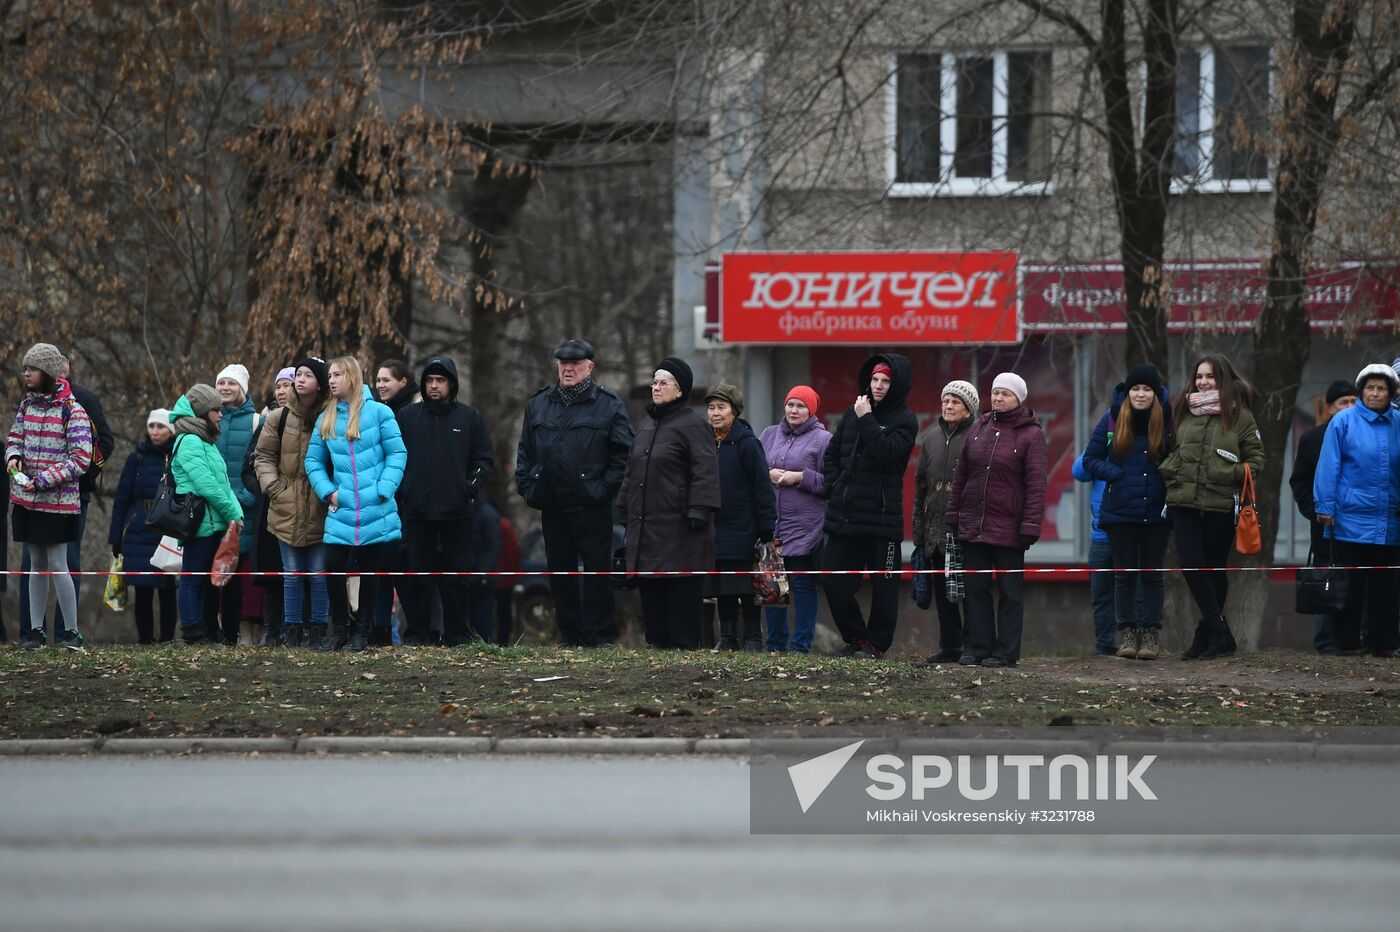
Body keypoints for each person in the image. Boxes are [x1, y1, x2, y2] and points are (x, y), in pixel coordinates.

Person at [515, 339, 634, 647]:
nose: (568, 369)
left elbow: (623, 454)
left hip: (591, 505)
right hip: (552, 504)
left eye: (575, 364)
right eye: (563, 364)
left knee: (597, 573)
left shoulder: (609, 404)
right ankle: (570, 635)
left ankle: (599, 636)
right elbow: (525, 452)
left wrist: (602, 490)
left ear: (589, 367)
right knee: (560, 573)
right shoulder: (539, 404)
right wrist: (528, 487)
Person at [1160, 354, 1264, 659]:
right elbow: (1170, 448)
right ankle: (1220, 632)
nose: (1203, 382)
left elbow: (1256, 461)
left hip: (1220, 504)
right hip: (1183, 501)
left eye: (1211, 377)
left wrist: (1223, 473)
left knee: (1215, 571)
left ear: (1224, 380)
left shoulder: (1241, 416)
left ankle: (1207, 636)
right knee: (1191, 566)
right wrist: (1170, 468)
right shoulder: (1183, 410)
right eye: (1199, 376)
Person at [820, 354, 918, 659]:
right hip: (844, 516)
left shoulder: (905, 420)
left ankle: (877, 644)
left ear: (897, 384)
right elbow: (833, 454)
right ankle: (857, 639)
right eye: (875, 379)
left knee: (884, 586)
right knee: (832, 580)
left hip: (881, 519)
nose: (878, 385)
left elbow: (886, 452)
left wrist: (866, 419)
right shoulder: (855, 410)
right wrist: (834, 485)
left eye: (886, 380)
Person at [305, 356, 406, 652]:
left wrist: (384, 489)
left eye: (337, 375)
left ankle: (362, 632)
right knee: (333, 566)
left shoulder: (380, 413)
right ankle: (339, 631)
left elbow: (397, 453)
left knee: (371, 571)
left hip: (376, 507)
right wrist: (329, 493)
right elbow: (313, 460)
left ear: (351, 377)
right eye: (330, 376)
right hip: (342, 508)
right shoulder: (327, 417)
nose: (331, 380)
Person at [947, 372, 1047, 668]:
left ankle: (1006, 651)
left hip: (1010, 529)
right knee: (975, 589)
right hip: (974, 526)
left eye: (1005, 394)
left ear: (1019, 398)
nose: (998, 398)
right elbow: (961, 475)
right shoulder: (978, 428)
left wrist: (1030, 525)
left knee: (1010, 592)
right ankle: (978, 647)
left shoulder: (1031, 434)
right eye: (995, 393)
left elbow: (1037, 484)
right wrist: (955, 514)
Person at [619, 356, 719, 649]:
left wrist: (699, 511)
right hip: (647, 530)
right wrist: (624, 508)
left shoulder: (694, 425)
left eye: (664, 382)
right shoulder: (646, 425)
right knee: (652, 593)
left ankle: (684, 649)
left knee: (681, 593)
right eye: (654, 381)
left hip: (681, 530)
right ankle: (657, 648)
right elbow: (631, 471)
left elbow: (706, 471)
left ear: (680, 390)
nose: (656, 387)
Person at [395, 355, 492, 646]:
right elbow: (395, 458)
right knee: (417, 578)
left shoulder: (470, 417)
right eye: (429, 381)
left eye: (440, 380)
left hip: (457, 513)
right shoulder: (408, 418)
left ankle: (457, 635)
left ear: (452, 384)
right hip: (416, 513)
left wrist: (470, 487)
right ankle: (419, 635)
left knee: (456, 579)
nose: (434, 386)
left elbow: (483, 459)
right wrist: (404, 492)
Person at [18, 349, 113, 645]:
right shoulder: (26, 406)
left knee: (60, 564)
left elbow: (82, 458)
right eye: (24, 369)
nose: (25, 374)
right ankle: (35, 631)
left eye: (31, 369)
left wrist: (44, 480)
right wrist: (12, 457)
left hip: (61, 502)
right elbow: (14, 439)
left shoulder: (74, 409)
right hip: (27, 500)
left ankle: (70, 631)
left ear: (47, 372)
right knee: (34, 565)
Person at [1081, 365, 1173, 661]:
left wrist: (1166, 477)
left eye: (1147, 389)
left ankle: (1150, 635)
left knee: (1151, 575)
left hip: (1156, 511)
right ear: (1128, 391)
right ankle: (1128, 635)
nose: (1141, 394)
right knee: (1124, 576)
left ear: (1156, 394)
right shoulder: (1111, 418)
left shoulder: (1168, 420)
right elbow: (1090, 459)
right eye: (1136, 389)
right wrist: (1115, 474)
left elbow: (1179, 457)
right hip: (1119, 512)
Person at [1313, 364, 1400, 658]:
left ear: (1391, 393)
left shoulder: (1399, 422)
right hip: (1349, 518)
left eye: (1382, 388)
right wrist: (1325, 507)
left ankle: (1383, 644)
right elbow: (1328, 466)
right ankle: (1347, 644)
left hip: (1389, 519)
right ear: (1362, 391)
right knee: (1350, 585)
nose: (1375, 393)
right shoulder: (1343, 422)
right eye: (1370, 388)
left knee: (1385, 587)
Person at [254, 357, 332, 648]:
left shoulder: (331, 416)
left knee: (319, 573)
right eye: (297, 374)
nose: (300, 380)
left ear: (320, 382)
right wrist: (274, 488)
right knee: (291, 573)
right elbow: (262, 457)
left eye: (307, 375)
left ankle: (320, 629)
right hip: (285, 504)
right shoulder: (278, 417)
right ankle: (293, 629)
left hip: (322, 504)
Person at [169, 383, 245, 645]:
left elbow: (223, 483)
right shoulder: (190, 440)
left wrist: (234, 512)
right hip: (200, 523)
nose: (220, 414)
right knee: (192, 580)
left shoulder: (206, 440)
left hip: (214, 523)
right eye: (216, 410)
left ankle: (206, 630)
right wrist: (234, 512)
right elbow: (207, 486)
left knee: (204, 582)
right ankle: (192, 631)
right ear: (203, 412)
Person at [704, 382, 776, 652]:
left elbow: (762, 486)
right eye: (711, 408)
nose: (715, 413)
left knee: (747, 586)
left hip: (744, 528)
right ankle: (728, 636)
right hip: (715, 529)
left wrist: (767, 525)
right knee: (723, 585)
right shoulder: (707, 443)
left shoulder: (747, 443)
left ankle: (753, 638)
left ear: (734, 411)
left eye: (721, 407)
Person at [759, 385, 831, 654]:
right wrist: (767, 474)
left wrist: (799, 477)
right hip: (773, 524)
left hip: (806, 527)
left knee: (802, 587)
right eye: (790, 404)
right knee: (773, 588)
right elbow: (755, 470)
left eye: (801, 406)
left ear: (811, 410)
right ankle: (775, 646)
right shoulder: (768, 435)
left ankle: (801, 646)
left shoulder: (823, 439)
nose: (794, 410)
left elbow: (831, 483)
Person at [1289, 379, 1358, 654]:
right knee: (1326, 582)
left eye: (1355, 402)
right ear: (1330, 408)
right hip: (1324, 529)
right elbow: (1300, 482)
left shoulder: (1366, 438)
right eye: (1344, 403)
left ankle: (1354, 642)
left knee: (1356, 582)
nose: (1349, 407)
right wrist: (1315, 512)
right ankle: (1326, 643)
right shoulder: (1313, 438)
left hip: (1359, 528)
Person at [912, 380, 978, 663]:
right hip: (935, 528)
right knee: (942, 591)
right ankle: (950, 645)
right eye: (945, 401)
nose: (949, 406)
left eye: (955, 402)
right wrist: (919, 531)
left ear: (968, 409)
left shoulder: (978, 436)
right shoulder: (930, 438)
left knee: (970, 591)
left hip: (964, 528)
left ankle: (972, 644)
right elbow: (921, 486)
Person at [108, 408, 178, 644]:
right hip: (138, 528)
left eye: (161, 427)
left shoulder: (177, 456)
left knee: (168, 588)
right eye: (152, 426)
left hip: (167, 528)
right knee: (142, 588)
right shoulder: (136, 457)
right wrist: (116, 536)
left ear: (171, 430)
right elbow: (121, 499)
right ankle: (145, 640)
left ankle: (167, 639)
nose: (156, 431)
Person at [1072, 451, 1147, 656]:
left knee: (1136, 590)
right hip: (1101, 536)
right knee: (1101, 593)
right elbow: (1078, 471)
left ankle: (1138, 643)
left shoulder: (1138, 448)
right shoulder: (1101, 451)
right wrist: (1100, 447)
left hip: (1131, 532)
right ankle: (1104, 644)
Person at [206, 363, 259, 645]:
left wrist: (246, 498)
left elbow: (259, 466)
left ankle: (231, 634)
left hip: (242, 509)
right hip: (210, 508)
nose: (225, 388)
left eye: (231, 384)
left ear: (243, 388)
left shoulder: (256, 422)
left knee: (236, 576)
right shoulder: (206, 419)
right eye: (221, 383)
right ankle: (209, 631)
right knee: (208, 571)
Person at [372, 359, 416, 643]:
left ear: (403, 382)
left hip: (406, 504)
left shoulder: (412, 413)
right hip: (381, 501)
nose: (379, 385)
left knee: (406, 574)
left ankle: (415, 631)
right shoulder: (377, 412)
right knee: (379, 571)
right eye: (377, 380)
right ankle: (380, 630)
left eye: (386, 380)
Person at [468, 496, 504, 641]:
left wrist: (483, 572)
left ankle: (484, 642)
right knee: (474, 615)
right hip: (473, 573)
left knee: (482, 615)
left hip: (483, 577)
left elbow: (494, 546)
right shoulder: (480, 512)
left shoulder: (487, 514)